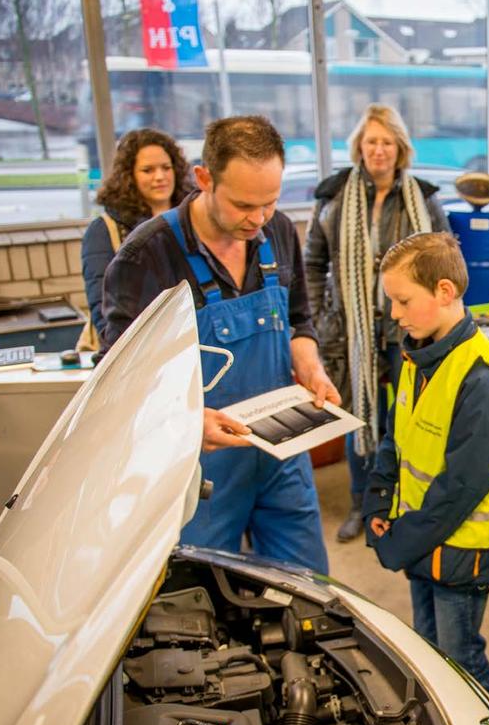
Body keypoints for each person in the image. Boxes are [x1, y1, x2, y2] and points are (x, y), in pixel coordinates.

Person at [102, 115, 338, 573]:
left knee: (308, 591)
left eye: (269, 202)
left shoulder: (280, 232)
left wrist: (311, 368)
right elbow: (118, 381)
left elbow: (299, 322)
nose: (259, 219)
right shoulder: (145, 257)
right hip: (202, 468)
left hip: (280, 458)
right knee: (207, 595)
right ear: (204, 178)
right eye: (244, 205)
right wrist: (189, 422)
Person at [362, 232, 489, 700]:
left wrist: (400, 542)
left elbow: (460, 488)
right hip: (421, 543)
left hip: (459, 557)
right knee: (428, 650)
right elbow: (397, 439)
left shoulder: (481, 379)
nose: (395, 313)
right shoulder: (419, 355)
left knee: (461, 657)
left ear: (445, 292)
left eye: (403, 300)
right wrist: (378, 501)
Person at [304, 103, 451, 544]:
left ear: (400, 148)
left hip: (407, 329)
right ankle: (360, 504)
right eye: (371, 142)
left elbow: (446, 259)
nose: (379, 150)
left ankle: (401, 502)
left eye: (387, 142)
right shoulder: (334, 199)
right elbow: (313, 262)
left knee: (405, 417)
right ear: (359, 147)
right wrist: (319, 315)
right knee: (358, 419)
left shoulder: (422, 199)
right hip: (349, 330)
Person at [81, 128, 192, 341]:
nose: (159, 177)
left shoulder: (191, 221)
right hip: (134, 348)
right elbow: (101, 306)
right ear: (128, 176)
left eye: (166, 168)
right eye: (148, 170)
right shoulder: (104, 230)